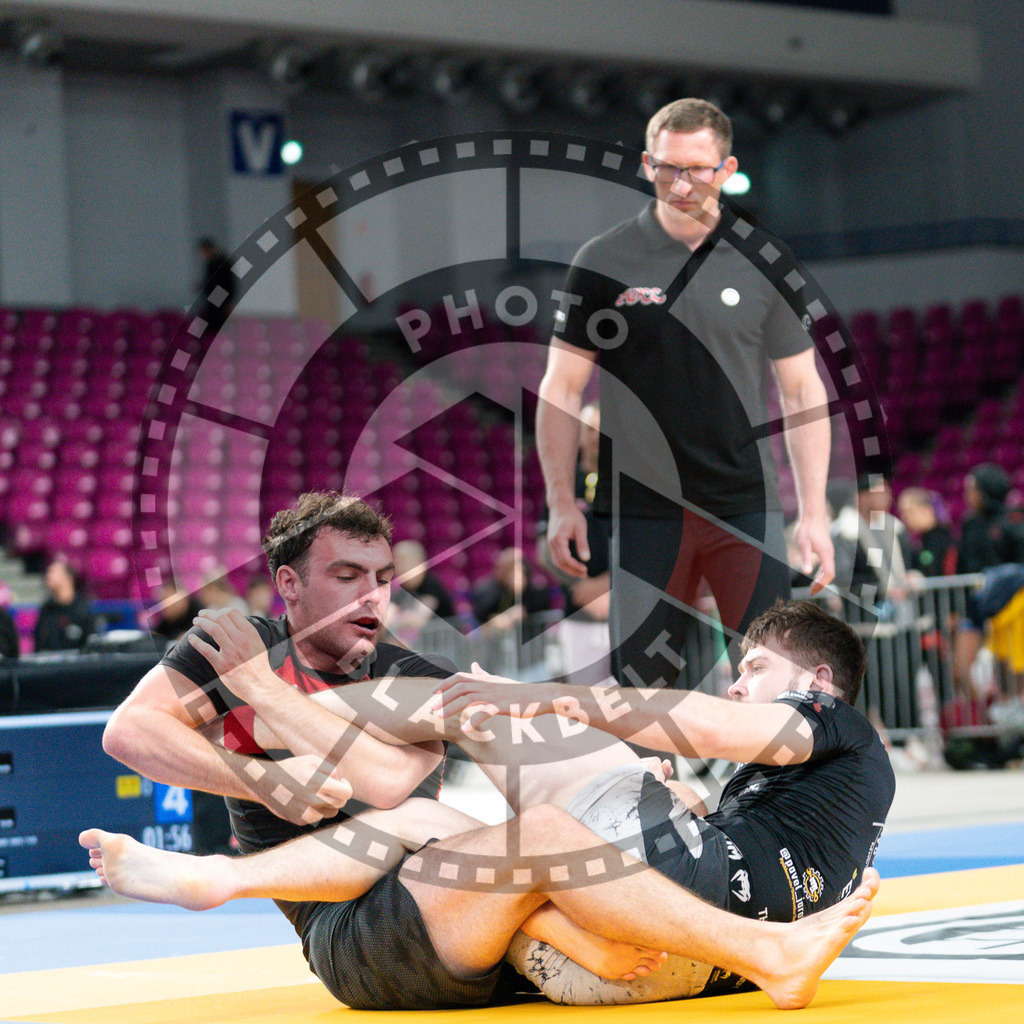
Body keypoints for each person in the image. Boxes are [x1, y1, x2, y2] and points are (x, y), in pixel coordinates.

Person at [90, 592, 886, 1009]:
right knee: (432, 824)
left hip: (685, 926)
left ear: (817, 684)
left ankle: (259, 723)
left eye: (754, 667)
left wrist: (559, 699)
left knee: (490, 713)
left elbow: (700, 723)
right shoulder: (827, 797)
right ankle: (223, 865)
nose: (737, 680)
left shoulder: (836, 722)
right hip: (671, 961)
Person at [537, 98, 834, 692]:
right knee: (644, 691)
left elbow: (803, 390)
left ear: (725, 169)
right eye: (668, 167)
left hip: (744, 504)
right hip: (643, 508)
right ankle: (651, 788)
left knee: (771, 682)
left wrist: (815, 511)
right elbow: (560, 388)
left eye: (697, 168)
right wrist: (561, 501)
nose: (681, 181)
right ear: (648, 164)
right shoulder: (602, 261)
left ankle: (765, 790)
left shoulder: (763, 262)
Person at [542, 404, 613, 686]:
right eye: (589, 430)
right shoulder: (563, 485)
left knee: (631, 707)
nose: (596, 437)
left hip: (624, 611)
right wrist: (582, 587)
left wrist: (609, 586)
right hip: (579, 614)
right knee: (582, 705)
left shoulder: (629, 482)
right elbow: (544, 549)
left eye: (601, 430)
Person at [470, 547, 554, 643]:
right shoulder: (487, 589)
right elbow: (483, 614)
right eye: (511, 569)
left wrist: (520, 592)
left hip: (527, 643)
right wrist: (505, 617)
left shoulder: (534, 588)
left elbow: (540, 604)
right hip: (494, 644)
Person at [387, 539, 458, 645]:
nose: (396, 565)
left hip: (445, 647)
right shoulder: (402, 589)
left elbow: (417, 620)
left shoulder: (431, 585)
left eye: (401, 560)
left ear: (418, 561)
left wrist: (398, 619)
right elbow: (387, 618)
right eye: (394, 560)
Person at [33, 556, 96, 652]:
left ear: (68, 578)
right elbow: (39, 643)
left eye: (52, 572)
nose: (48, 576)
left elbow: (90, 645)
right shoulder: (46, 609)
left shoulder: (83, 609)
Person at [896, 488, 956, 578]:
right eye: (902, 513)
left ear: (927, 509)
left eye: (909, 511)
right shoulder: (923, 540)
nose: (905, 517)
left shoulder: (941, 540)